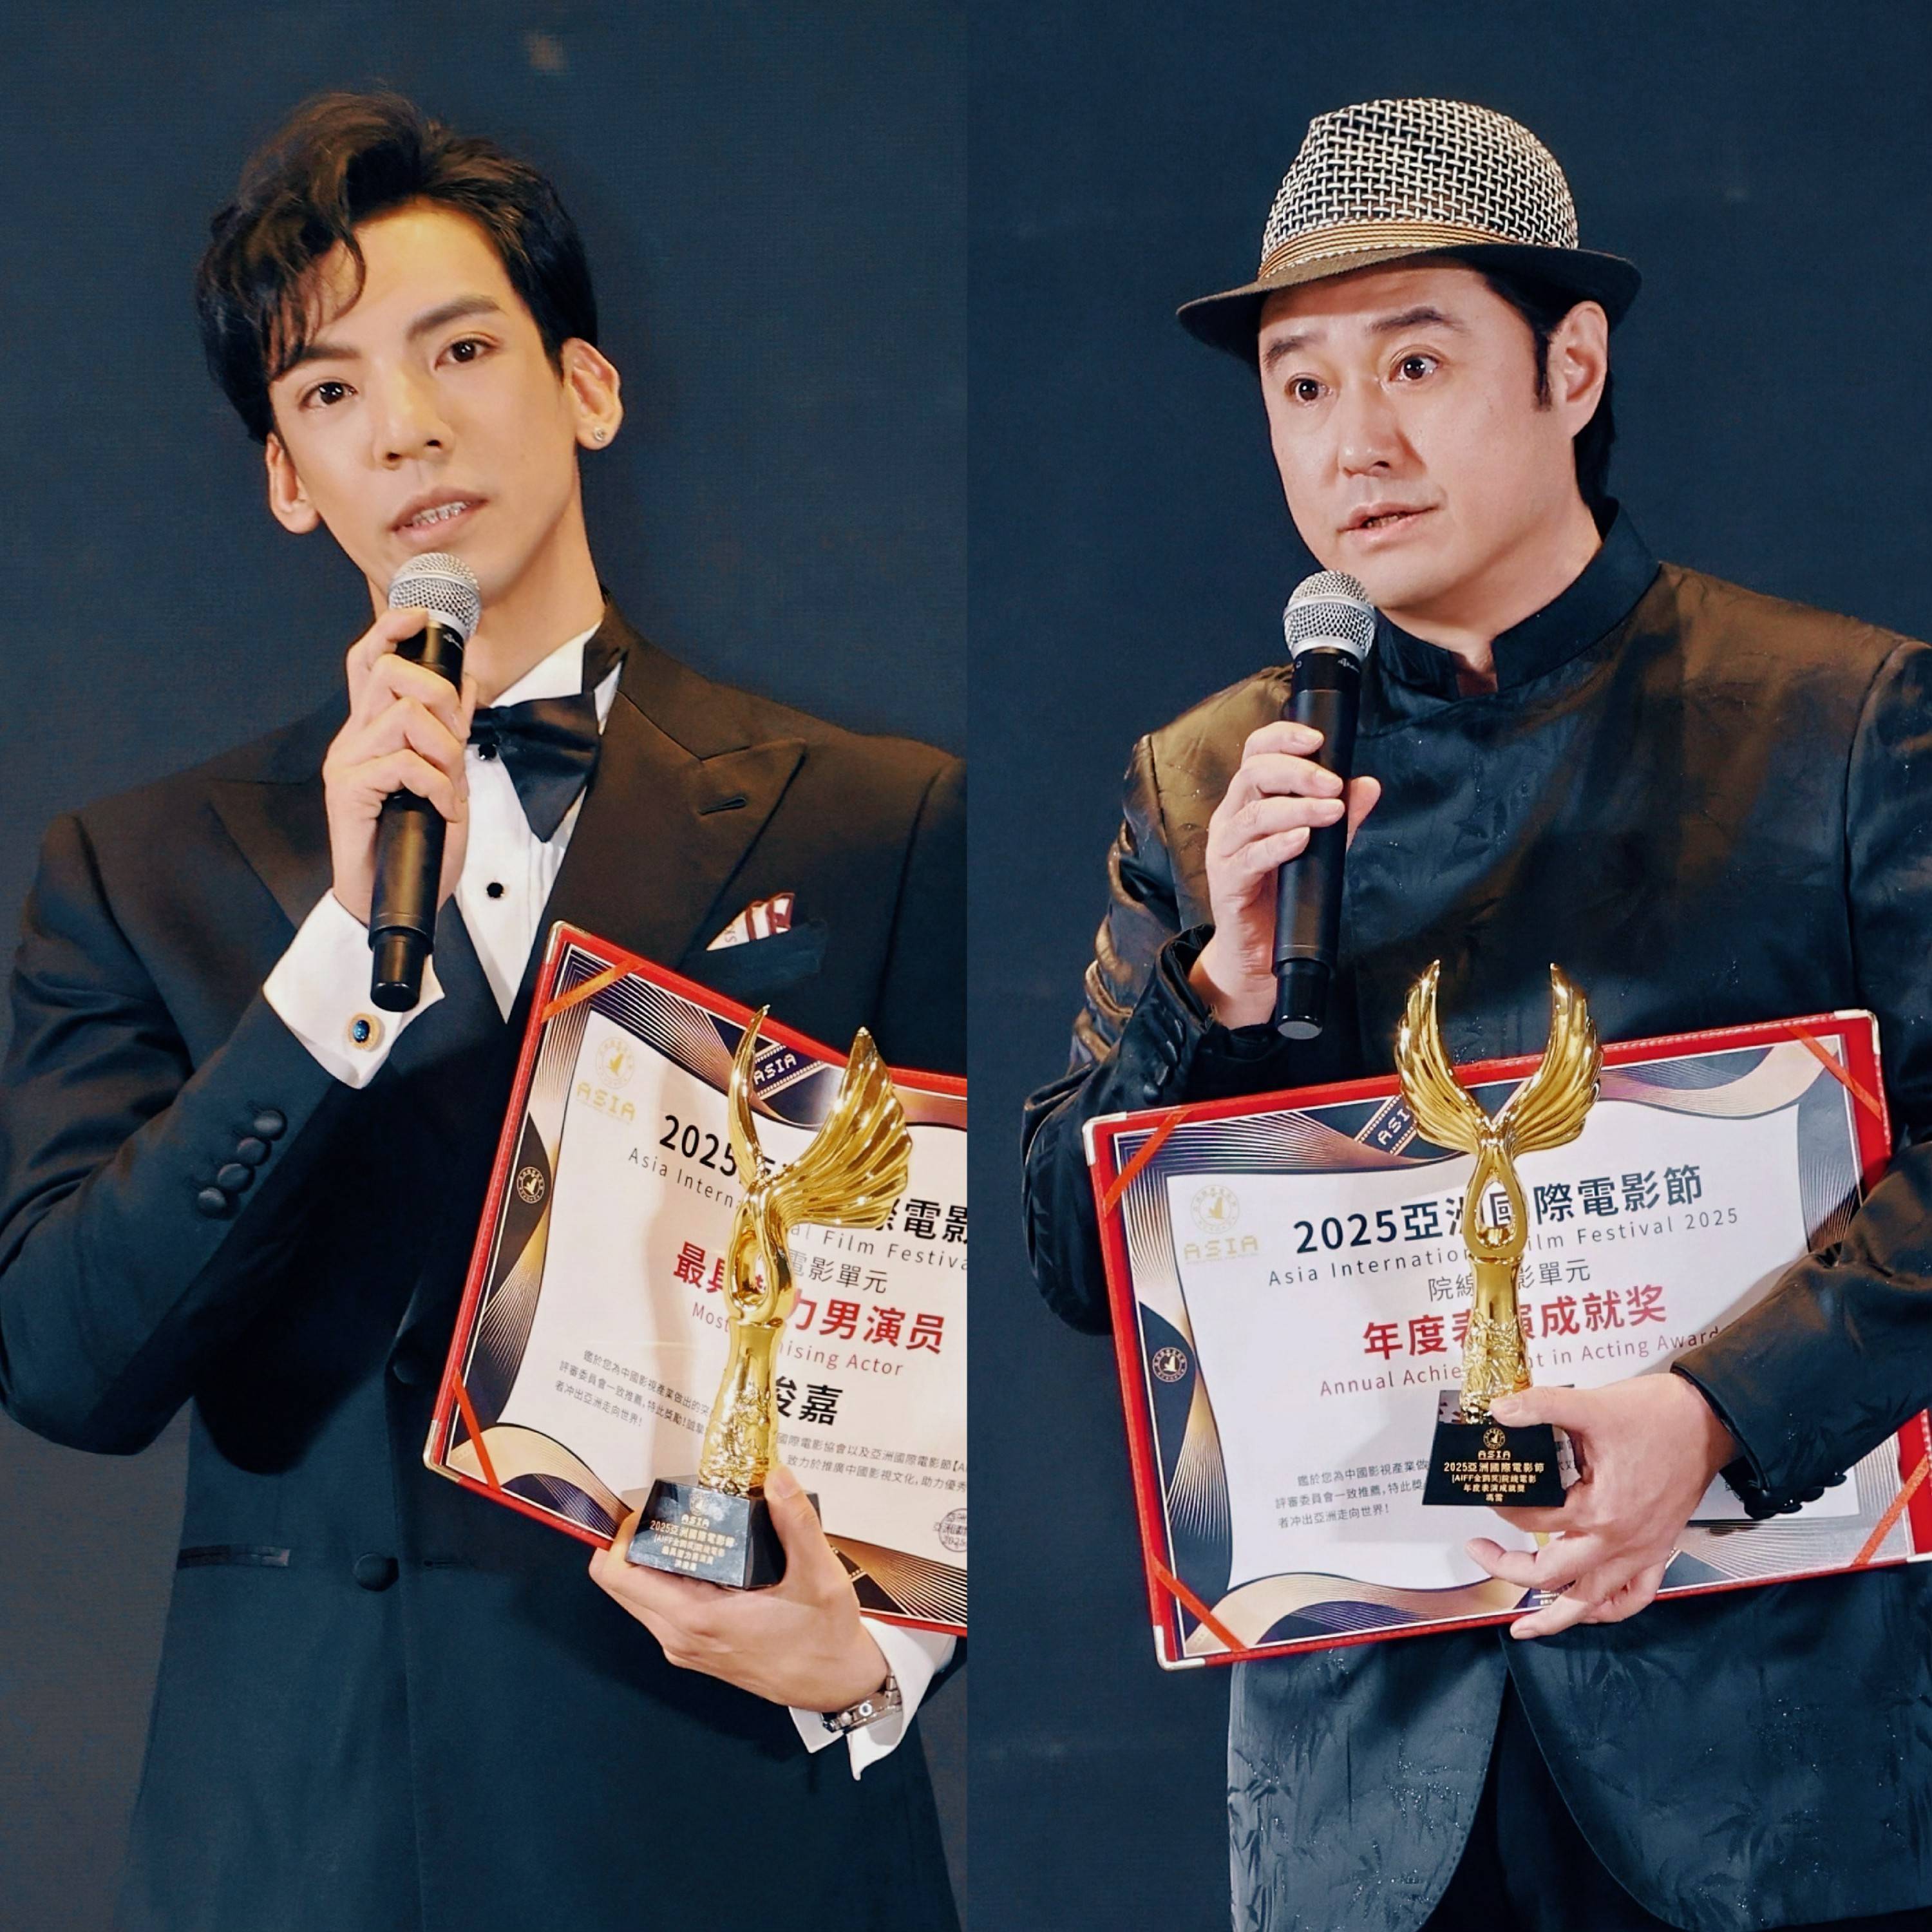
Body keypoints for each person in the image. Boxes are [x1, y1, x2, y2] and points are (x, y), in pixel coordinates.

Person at [0, 93, 961, 1932]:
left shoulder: (874, 817)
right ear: (289, 477)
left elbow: (961, 1304)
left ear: (587, 387)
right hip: (318, 1834)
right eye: (331, 389)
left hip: (725, 1805)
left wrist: (882, 1651)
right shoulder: (136, 871)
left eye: (461, 351)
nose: (409, 427)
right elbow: (66, 1360)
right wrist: (332, 969)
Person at [1022, 97, 1932, 1932]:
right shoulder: (1208, 779)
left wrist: (1718, 1414)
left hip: (1774, 1764)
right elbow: (1072, 1254)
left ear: (1571, 367)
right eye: (1299, 385)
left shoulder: (1837, 719)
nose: (1353, 441)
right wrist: (1218, 985)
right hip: (1371, 1795)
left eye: (1417, 363)